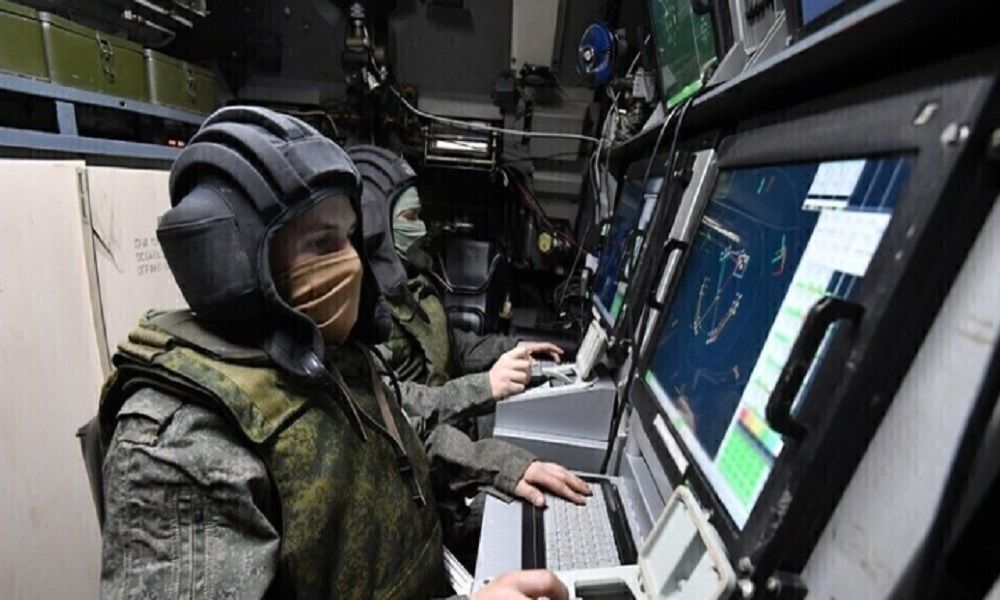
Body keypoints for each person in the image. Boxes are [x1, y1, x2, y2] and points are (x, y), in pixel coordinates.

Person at [95, 107, 580, 599]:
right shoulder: (184, 445)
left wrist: (501, 466)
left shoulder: (329, 358)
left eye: (349, 238)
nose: (352, 262)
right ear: (233, 258)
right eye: (322, 242)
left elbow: (404, 433)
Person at [347, 145, 563, 434]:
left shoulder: (413, 285)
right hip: (421, 438)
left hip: (451, 418)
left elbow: (450, 344)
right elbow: (391, 403)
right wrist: (485, 387)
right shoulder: (357, 312)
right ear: (375, 225)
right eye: (411, 217)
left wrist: (512, 347)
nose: (423, 230)